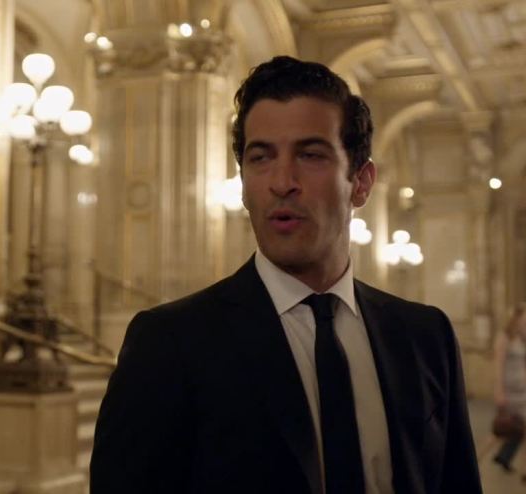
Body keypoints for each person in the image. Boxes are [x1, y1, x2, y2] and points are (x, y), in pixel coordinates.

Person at [89, 56, 482, 494]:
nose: (282, 182)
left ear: (361, 182)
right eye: (261, 157)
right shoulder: (170, 343)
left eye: (310, 155)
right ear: (243, 184)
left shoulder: (425, 336)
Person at [492, 303, 526, 474]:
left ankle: (513, 462)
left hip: (523, 391)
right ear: (516, 318)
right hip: (510, 392)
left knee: (520, 430)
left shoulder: (521, 338)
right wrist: (499, 391)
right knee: (505, 429)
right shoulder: (503, 338)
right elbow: (498, 366)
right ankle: (476, 457)